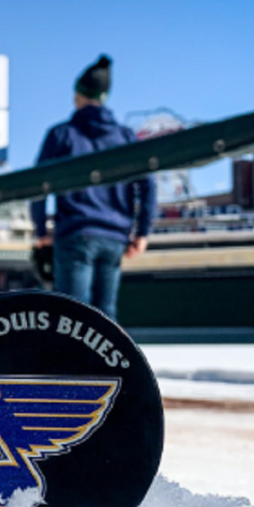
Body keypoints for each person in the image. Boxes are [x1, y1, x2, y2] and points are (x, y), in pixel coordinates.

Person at [28, 55, 156, 321]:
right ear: (105, 96)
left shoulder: (61, 134)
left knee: (72, 319)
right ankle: (102, 365)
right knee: (105, 320)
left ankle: (72, 364)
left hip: (76, 234)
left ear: (77, 95)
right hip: (114, 238)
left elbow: (36, 185)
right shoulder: (125, 137)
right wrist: (141, 233)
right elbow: (148, 185)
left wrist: (41, 231)